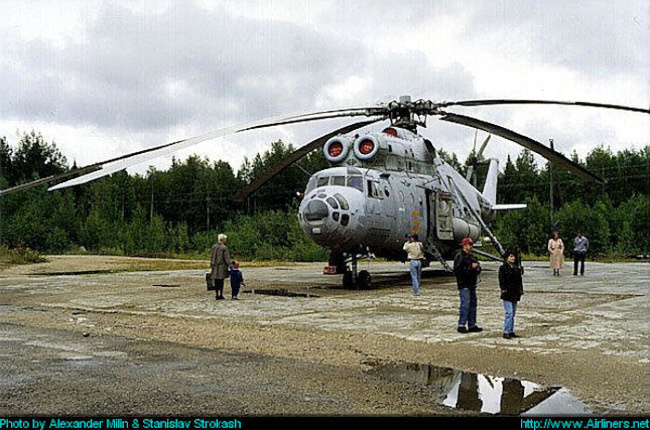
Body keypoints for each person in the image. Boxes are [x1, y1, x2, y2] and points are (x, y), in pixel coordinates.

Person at [454, 237, 482, 333]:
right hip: (464, 284)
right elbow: (458, 271)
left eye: (471, 245)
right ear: (464, 246)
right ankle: (461, 324)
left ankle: (472, 324)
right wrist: (471, 267)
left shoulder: (472, 257)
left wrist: (477, 268)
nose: (471, 246)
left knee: (473, 305)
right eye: (469, 245)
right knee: (465, 305)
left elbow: (478, 269)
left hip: (472, 284)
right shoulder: (460, 257)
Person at [498, 250, 524, 339]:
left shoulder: (516, 268)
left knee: (512, 313)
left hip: (515, 293)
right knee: (509, 312)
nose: (513, 258)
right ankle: (506, 331)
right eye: (511, 256)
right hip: (507, 293)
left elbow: (519, 280)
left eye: (514, 256)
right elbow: (501, 280)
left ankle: (510, 330)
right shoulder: (503, 268)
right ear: (507, 257)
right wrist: (503, 289)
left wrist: (521, 289)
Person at [210, 234, 231, 300]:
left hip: (214, 266)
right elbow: (226, 258)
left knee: (216, 281)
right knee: (221, 281)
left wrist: (211, 264)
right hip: (222, 266)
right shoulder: (224, 248)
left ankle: (216, 294)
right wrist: (230, 265)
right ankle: (221, 294)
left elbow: (212, 256)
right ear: (223, 239)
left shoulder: (214, 247)